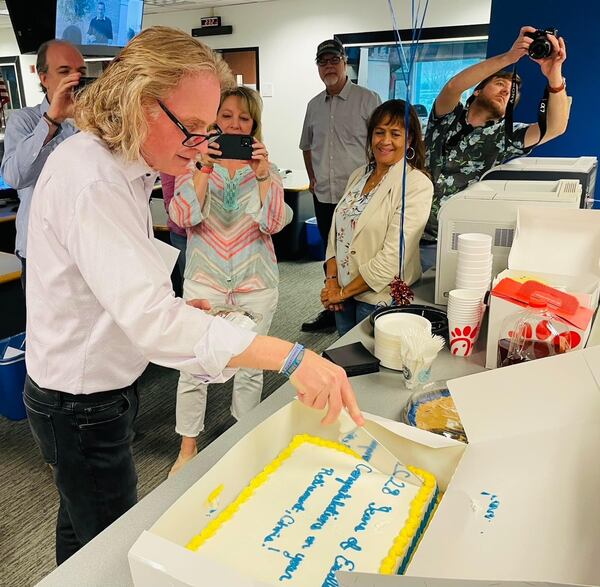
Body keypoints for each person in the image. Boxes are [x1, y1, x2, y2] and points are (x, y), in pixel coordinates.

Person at [23, 26, 363, 565]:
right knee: (111, 546)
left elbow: (117, 287)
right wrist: (291, 355)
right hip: (80, 399)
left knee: (81, 525)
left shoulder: (124, 167)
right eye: (196, 127)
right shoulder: (94, 179)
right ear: (139, 101)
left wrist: (177, 306)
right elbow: (151, 321)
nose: (206, 143)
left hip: (96, 383)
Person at [167, 86, 292, 475]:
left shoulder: (266, 172)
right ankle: (188, 448)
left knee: (250, 367)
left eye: (243, 117)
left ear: (254, 125)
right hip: (205, 284)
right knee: (193, 366)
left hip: (255, 285)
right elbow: (183, 216)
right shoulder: (195, 166)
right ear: (214, 120)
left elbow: (272, 224)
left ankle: (244, 439)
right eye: (226, 115)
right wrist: (203, 169)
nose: (234, 123)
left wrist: (262, 178)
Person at [421, 26, 569, 271]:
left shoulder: (507, 135)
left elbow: (555, 128)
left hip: (447, 242)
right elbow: (453, 87)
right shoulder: (447, 115)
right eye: (500, 83)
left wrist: (554, 76)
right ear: (478, 90)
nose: (505, 91)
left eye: (512, 92)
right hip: (404, 229)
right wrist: (509, 58)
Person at [320, 100, 433, 336]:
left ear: (410, 140)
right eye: (379, 132)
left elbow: (393, 258)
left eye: (395, 134)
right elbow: (336, 235)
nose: (385, 141)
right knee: (345, 360)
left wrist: (341, 293)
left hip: (377, 296)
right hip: (343, 290)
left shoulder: (416, 184)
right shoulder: (359, 175)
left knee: (370, 365)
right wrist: (332, 283)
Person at [300, 38, 381, 332]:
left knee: (359, 255)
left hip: (359, 197)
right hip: (325, 196)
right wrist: (312, 177)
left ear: (345, 62)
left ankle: (362, 308)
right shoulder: (313, 106)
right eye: (323, 62)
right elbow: (306, 145)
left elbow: (381, 144)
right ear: (319, 68)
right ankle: (334, 310)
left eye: (334, 60)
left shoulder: (368, 99)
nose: (329, 67)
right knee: (330, 256)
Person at [0, 40, 85, 290]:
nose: (75, 79)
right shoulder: (24, 121)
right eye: (64, 71)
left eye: (80, 72)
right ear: (44, 77)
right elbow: (15, 176)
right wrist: (52, 122)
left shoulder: (94, 121)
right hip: (41, 252)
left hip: (86, 246)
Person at [159, 171, 187, 289]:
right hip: (182, 233)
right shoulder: (176, 158)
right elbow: (169, 199)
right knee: (188, 283)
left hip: (212, 234)